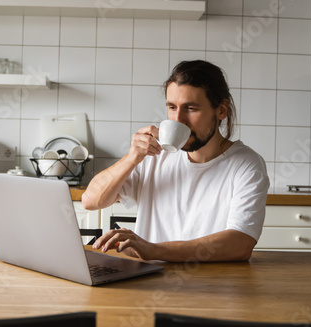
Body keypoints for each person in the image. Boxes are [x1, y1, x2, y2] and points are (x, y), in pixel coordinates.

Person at [82, 60, 269, 263]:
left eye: (191, 108)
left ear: (221, 111)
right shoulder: (153, 155)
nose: (178, 120)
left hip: (214, 285)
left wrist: (152, 250)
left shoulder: (247, 164)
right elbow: (91, 201)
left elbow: (240, 243)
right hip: (149, 283)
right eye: (172, 107)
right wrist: (131, 158)